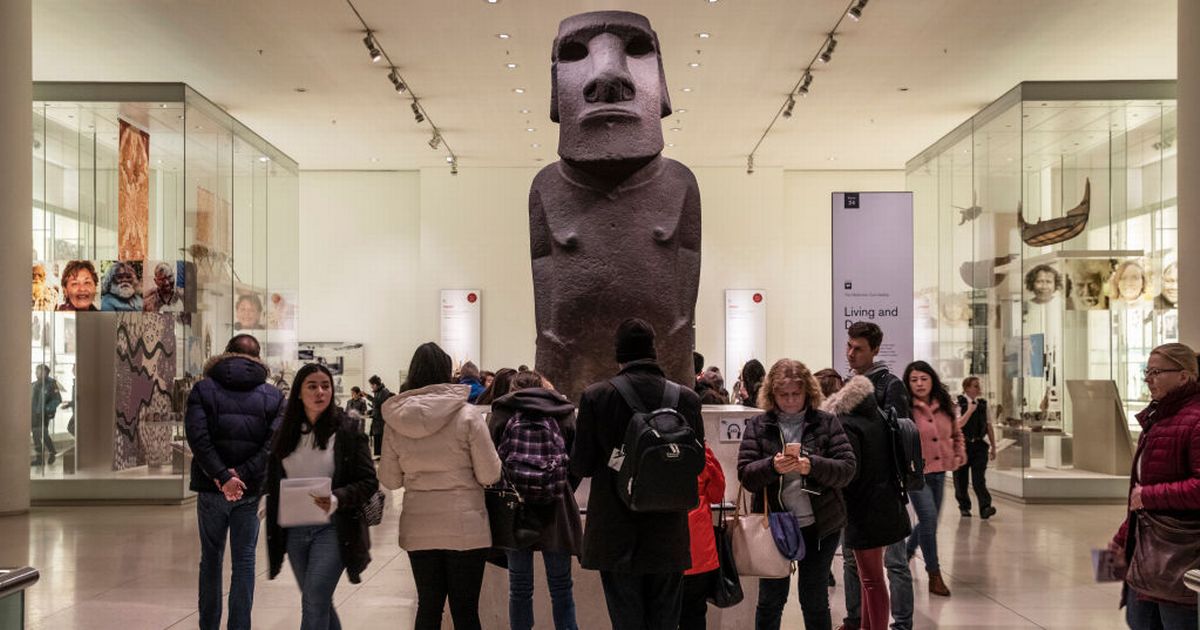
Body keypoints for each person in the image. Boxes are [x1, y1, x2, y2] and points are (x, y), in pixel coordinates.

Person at [571, 318, 704, 630]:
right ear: (653, 352)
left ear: (619, 354)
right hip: (669, 534)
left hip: (616, 535)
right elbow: (695, 465)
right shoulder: (686, 399)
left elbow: (582, 466)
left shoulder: (596, 397)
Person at [379, 342, 502, 630]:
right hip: (466, 527)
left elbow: (390, 479)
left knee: (428, 607)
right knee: (465, 611)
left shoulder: (395, 421)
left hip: (419, 526)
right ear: (448, 373)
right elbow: (489, 474)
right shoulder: (468, 416)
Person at [738, 358, 856, 630]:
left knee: (814, 600)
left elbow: (847, 469)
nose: (790, 401)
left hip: (819, 525)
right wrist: (772, 466)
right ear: (772, 394)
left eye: (796, 394)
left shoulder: (827, 423)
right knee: (770, 600)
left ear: (808, 392)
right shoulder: (759, 425)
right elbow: (745, 474)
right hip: (774, 525)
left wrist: (812, 465)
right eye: (783, 395)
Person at [264, 363, 378, 630]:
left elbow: (369, 481)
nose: (320, 392)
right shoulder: (285, 432)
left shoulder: (348, 430)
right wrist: (265, 499)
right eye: (312, 386)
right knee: (318, 601)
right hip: (294, 529)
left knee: (314, 599)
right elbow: (273, 477)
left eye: (325, 386)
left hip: (334, 529)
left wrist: (337, 498)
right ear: (299, 393)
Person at [184, 334, 285, 630]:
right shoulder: (273, 395)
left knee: (210, 560)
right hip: (250, 491)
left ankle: (208, 626)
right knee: (244, 562)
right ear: (259, 358)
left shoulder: (203, 389)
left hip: (210, 487)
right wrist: (241, 475)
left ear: (225, 354)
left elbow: (198, 438)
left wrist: (223, 476)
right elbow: (272, 445)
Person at [1109, 343, 1200, 630]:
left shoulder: (1195, 420)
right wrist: (1123, 537)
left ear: (1184, 376)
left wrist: (1150, 496)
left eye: (1156, 372)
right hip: (1146, 555)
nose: (1148, 379)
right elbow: (1140, 489)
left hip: (1179, 558)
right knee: (1138, 622)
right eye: (1147, 372)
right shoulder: (1158, 418)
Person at [488, 370, 582, 630]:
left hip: (514, 509)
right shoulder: (562, 412)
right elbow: (576, 463)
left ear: (513, 388)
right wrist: (561, 488)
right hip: (556, 508)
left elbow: (491, 462)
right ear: (543, 385)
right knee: (561, 587)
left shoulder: (501, 413)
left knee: (519, 588)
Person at [822, 376, 911, 630]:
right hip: (886, 504)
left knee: (871, 579)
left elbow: (851, 473)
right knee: (868, 578)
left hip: (864, 509)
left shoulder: (847, 423)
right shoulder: (877, 414)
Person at [842, 320, 913, 630]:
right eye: (849, 346)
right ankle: (858, 621)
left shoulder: (889, 385)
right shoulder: (851, 385)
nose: (850, 353)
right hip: (857, 492)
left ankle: (900, 623)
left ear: (875, 350)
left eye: (858, 348)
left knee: (890, 565)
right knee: (857, 567)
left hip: (881, 492)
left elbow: (895, 441)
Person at [903, 360, 965, 597]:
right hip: (916, 474)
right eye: (914, 379)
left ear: (932, 380)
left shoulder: (945, 404)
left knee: (930, 522)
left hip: (939, 471)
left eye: (924, 378)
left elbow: (956, 432)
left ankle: (907, 551)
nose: (919, 384)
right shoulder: (905, 408)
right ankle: (934, 575)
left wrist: (959, 453)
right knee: (929, 520)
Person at [680, 443, 726, 630]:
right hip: (698, 549)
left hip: (659, 545)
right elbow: (716, 493)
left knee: (659, 613)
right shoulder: (699, 449)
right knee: (694, 613)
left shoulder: (646, 441)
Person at [954, 376, 997, 519]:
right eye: (975, 386)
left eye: (979, 386)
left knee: (979, 479)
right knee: (961, 479)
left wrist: (993, 446)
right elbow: (958, 424)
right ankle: (964, 507)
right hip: (962, 445)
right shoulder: (959, 403)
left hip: (979, 445)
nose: (979, 389)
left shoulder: (983, 405)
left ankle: (985, 507)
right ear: (967, 388)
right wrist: (970, 410)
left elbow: (989, 426)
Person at [31, 364, 62, 466]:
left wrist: (47, 409)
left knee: (42, 434)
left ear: (44, 372)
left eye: (38, 371)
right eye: (36, 371)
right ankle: (41, 458)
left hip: (43, 415)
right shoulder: (34, 384)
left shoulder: (51, 384)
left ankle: (51, 452)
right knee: (37, 436)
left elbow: (57, 400)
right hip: (33, 414)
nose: (36, 373)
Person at [366, 375, 393, 458]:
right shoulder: (378, 392)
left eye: (371, 385)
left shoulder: (384, 391)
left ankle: (381, 456)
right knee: (377, 438)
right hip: (377, 420)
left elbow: (379, 403)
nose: (371, 387)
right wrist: (370, 411)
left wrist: (368, 397)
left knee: (381, 438)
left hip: (382, 421)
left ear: (375, 384)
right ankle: (378, 456)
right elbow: (376, 406)